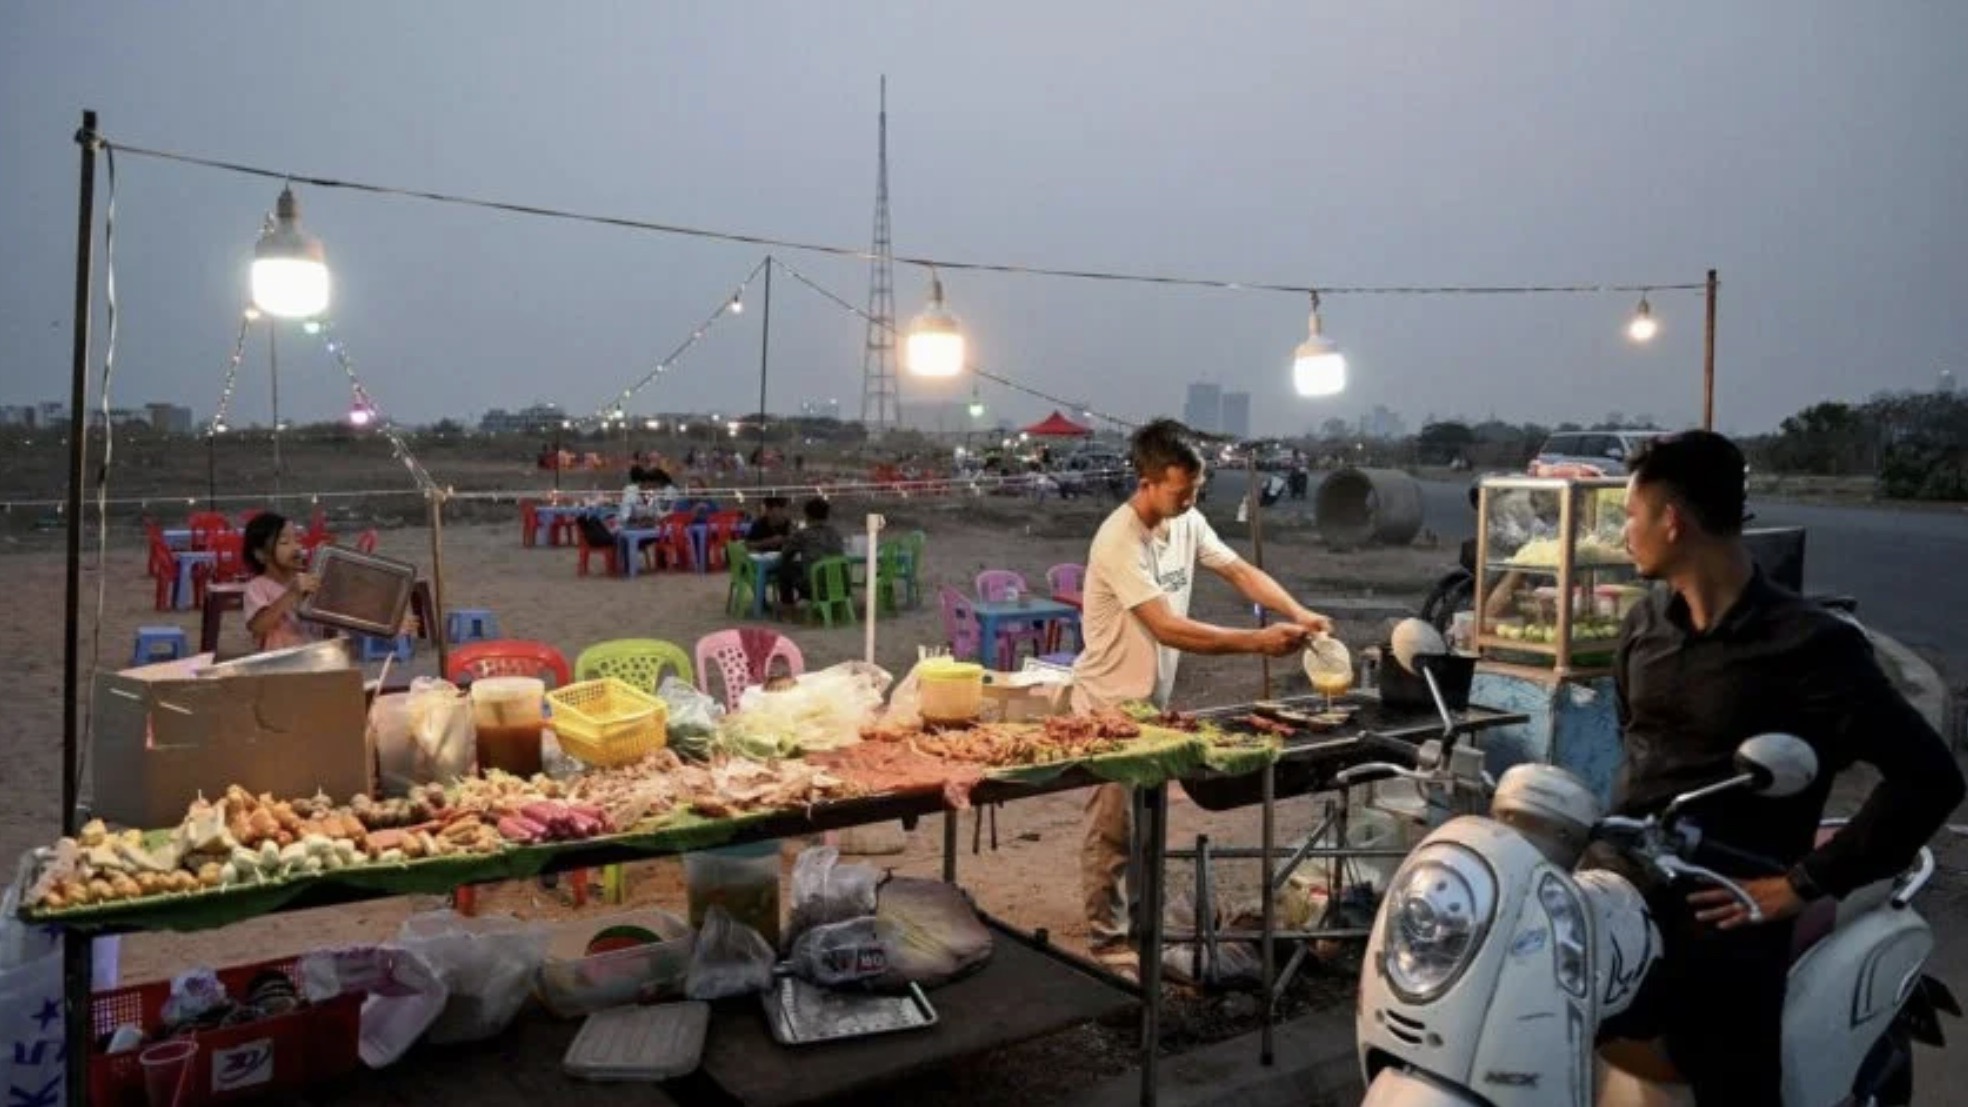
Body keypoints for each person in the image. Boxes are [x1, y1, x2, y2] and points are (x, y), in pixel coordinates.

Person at [1597, 430, 1963, 1104]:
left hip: (1728, 911)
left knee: (1731, 1068)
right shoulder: (1644, 626)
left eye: (1630, 514)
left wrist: (1801, 883)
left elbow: (1930, 777)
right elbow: (1637, 744)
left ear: (1672, 521)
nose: (1625, 533)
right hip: (1622, 883)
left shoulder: (1811, 645)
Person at [1072, 418, 1333, 976]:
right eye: (1180, 489)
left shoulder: (1186, 522)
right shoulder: (1119, 539)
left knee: (1148, 823)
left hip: (1153, 705)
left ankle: (1144, 929)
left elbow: (1239, 571)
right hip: (1106, 704)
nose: (1191, 499)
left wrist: (1297, 612)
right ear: (1146, 480)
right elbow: (1168, 628)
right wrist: (1257, 642)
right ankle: (1105, 942)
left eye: (1196, 488)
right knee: (1113, 829)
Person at [242, 513, 321, 652]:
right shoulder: (257, 587)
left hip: (312, 660)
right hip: (279, 667)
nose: (296, 547)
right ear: (261, 554)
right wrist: (292, 594)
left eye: (297, 540)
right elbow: (258, 626)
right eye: (285, 542)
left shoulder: (306, 581)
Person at [778, 497, 844, 611]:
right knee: (806, 567)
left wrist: (791, 536)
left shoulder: (803, 534)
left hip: (816, 588)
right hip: (839, 586)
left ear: (807, 515)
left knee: (785, 569)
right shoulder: (836, 533)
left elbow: (785, 553)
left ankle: (788, 608)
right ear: (827, 515)